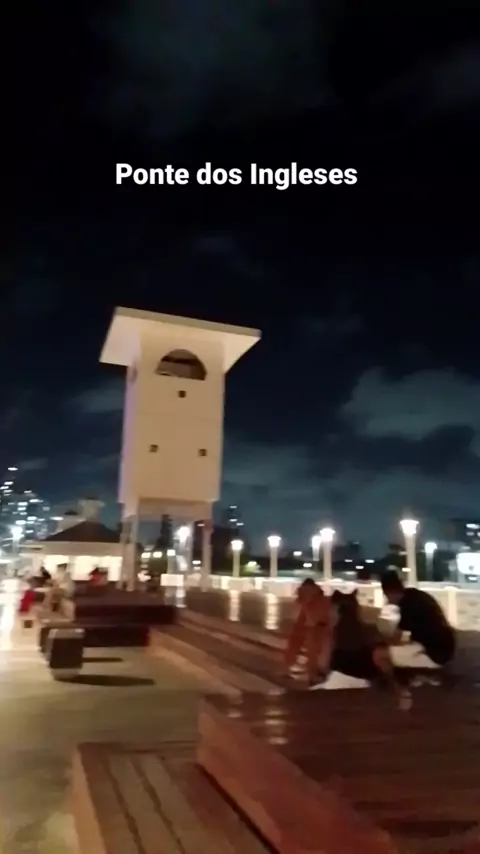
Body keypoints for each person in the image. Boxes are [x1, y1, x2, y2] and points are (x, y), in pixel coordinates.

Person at [381, 570, 456, 668]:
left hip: (433, 655)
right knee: (399, 650)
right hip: (444, 649)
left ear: (389, 592)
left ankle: (394, 679)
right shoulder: (414, 595)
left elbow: (396, 637)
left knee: (380, 655)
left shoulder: (407, 605)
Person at [284, 579, 334, 690]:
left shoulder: (307, 604)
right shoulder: (325, 601)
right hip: (324, 636)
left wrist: (289, 660)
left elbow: (296, 635)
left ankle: (315, 680)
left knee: (315, 659)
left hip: (318, 634)